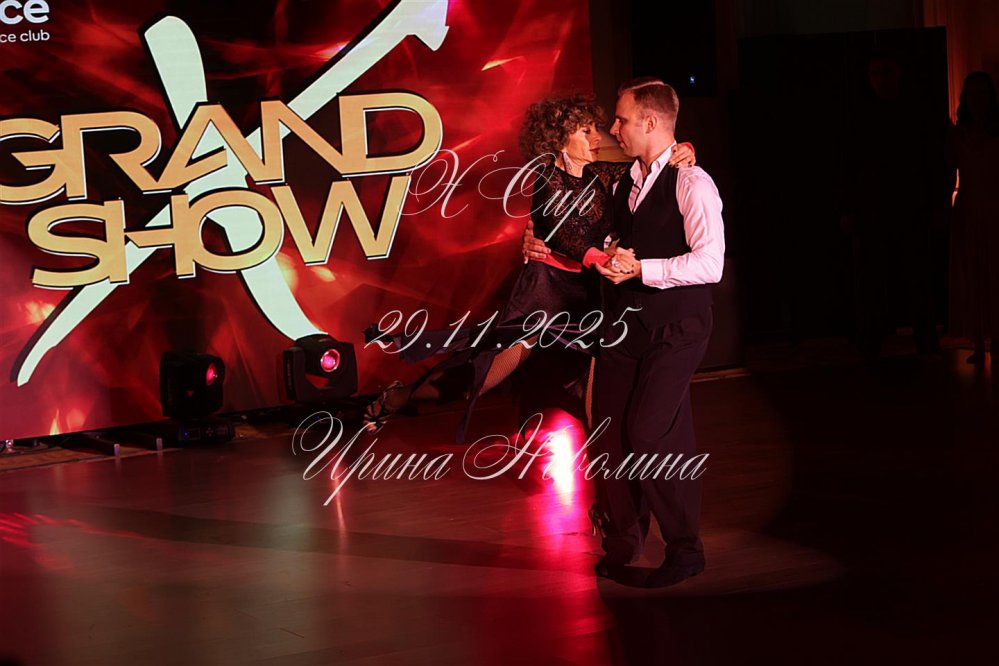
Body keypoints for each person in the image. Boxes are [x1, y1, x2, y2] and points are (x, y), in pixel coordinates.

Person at [364, 94, 696, 438]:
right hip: (545, 292)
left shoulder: (602, 174)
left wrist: (682, 149)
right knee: (481, 376)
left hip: (588, 298)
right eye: (585, 131)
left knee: (597, 402)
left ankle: (607, 467)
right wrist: (604, 259)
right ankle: (400, 397)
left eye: (595, 129)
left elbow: (651, 169)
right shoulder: (547, 180)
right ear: (559, 139)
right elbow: (564, 235)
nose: (597, 137)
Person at [526, 78, 725, 588]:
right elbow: (575, 228)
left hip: (676, 325)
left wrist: (642, 269)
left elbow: (711, 263)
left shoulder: (691, 182)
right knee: (610, 435)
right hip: (624, 324)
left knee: (651, 432)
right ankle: (623, 543)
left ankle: (685, 550)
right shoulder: (619, 179)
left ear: (651, 122)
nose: (613, 129)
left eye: (621, 120)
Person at [947, 72, 999, 365]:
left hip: (994, 208)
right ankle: (978, 342)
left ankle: (994, 341)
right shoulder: (959, 136)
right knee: (974, 277)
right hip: (968, 209)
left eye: (982, 93)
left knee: (993, 275)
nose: (978, 100)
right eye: (973, 94)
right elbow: (948, 171)